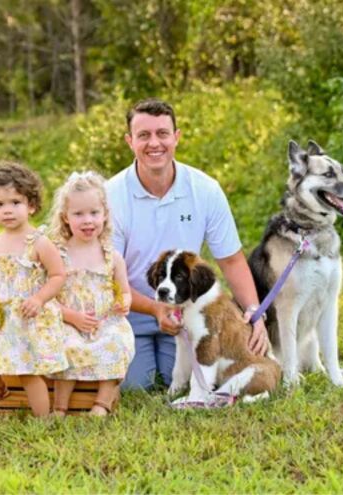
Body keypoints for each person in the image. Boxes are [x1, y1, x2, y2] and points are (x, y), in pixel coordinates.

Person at [106, 98, 269, 390]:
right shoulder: (110, 195)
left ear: (176, 137)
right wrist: (155, 309)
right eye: (144, 135)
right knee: (136, 386)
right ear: (130, 141)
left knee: (192, 375)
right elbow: (109, 278)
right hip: (129, 313)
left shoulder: (205, 189)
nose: (154, 143)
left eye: (162, 133)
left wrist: (255, 314)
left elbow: (231, 260)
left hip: (185, 315)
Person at [0, 161, 68, 417]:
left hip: (26, 316)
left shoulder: (39, 242)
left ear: (31, 206)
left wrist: (39, 298)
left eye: (15, 203)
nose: (7, 210)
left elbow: (58, 276)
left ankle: (44, 420)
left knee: (27, 371)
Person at [46, 171, 134, 417]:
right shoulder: (57, 254)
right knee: (67, 344)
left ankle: (102, 404)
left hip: (104, 321)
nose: (88, 220)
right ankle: (60, 406)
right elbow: (47, 298)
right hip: (68, 320)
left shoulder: (112, 257)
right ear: (65, 217)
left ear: (105, 215)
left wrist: (123, 303)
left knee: (118, 342)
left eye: (94, 213)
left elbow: (125, 291)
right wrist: (71, 317)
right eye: (78, 214)